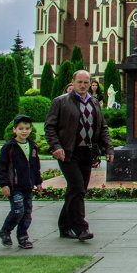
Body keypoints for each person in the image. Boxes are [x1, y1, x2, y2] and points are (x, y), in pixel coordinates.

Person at [44, 69, 114, 241]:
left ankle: (64, 226)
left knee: (77, 190)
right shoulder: (60, 102)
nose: (83, 85)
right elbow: (50, 126)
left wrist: (109, 148)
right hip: (68, 153)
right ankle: (81, 228)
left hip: (87, 153)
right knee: (77, 187)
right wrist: (56, 147)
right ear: (73, 83)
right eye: (79, 82)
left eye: (86, 82)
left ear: (90, 84)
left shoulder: (94, 103)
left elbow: (102, 127)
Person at [0, 114, 43, 249]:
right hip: (14, 186)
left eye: (27, 128)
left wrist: (38, 181)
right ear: (14, 130)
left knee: (27, 212)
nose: (24, 131)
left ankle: (23, 236)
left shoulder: (32, 146)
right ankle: (5, 231)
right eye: (21, 128)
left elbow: (35, 165)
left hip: (28, 185)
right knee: (18, 210)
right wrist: (4, 184)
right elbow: (2, 167)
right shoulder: (9, 147)